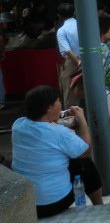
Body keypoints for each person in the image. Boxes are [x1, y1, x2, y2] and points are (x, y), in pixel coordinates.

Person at [11, 86, 103, 218]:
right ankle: (99, 206)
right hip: (53, 203)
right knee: (84, 162)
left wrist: (58, 121)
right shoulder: (58, 133)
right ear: (48, 107)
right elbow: (86, 150)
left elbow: (43, 128)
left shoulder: (18, 125)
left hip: (26, 203)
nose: (61, 104)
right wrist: (82, 120)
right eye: (58, 101)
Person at [56, 2, 81, 108]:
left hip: (73, 62)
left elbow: (67, 50)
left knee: (69, 91)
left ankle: (74, 119)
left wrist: (79, 63)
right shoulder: (82, 24)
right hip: (89, 58)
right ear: (74, 13)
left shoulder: (62, 30)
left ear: (59, 16)